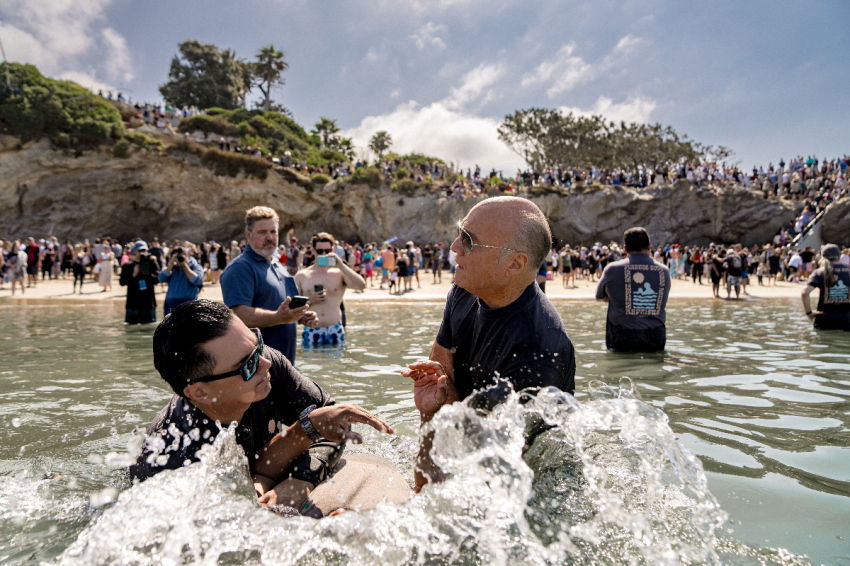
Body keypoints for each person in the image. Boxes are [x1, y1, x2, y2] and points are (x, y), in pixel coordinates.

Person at [130, 300, 399, 517]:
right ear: (199, 393)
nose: (265, 363)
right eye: (247, 364)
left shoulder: (265, 363)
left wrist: (301, 479)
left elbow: (331, 417)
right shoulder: (173, 453)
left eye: (257, 343)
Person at [401, 197, 576, 492]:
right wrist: (429, 413)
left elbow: (497, 489)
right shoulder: (466, 288)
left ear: (514, 263)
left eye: (468, 240)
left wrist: (447, 408)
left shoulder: (538, 355)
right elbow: (442, 375)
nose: (454, 247)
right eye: (460, 232)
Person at [221, 206, 318, 364]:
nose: (270, 237)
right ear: (248, 235)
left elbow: (283, 311)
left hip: (284, 365)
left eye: (273, 232)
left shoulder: (278, 266)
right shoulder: (240, 268)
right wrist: (279, 317)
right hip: (256, 370)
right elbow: (238, 314)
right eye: (262, 232)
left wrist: (299, 318)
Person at [595, 227, 671, 352]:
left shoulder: (612, 269)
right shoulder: (664, 271)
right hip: (656, 336)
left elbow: (599, 296)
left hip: (622, 336)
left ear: (625, 248)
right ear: (648, 245)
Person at [295, 232, 366, 347]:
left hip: (335, 328)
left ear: (332, 250)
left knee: (336, 364)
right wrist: (309, 300)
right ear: (313, 251)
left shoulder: (339, 273)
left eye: (327, 251)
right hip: (312, 329)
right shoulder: (302, 275)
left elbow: (361, 285)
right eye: (320, 251)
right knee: (310, 363)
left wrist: (342, 265)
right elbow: (293, 309)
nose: (324, 254)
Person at [801, 244, 850, 331]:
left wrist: (809, 313)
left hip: (825, 320)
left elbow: (805, 292)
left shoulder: (819, 272)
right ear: (839, 256)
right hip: (847, 319)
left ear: (822, 257)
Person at [119, 241, 161, 324]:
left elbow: (158, 279)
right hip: (133, 303)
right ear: (134, 251)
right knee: (131, 326)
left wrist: (148, 274)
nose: (142, 253)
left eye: (144, 251)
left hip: (148, 303)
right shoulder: (128, 265)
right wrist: (133, 274)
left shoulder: (152, 264)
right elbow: (122, 282)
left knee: (149, 326)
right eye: (140, 251)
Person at [159, 243, 204, 315]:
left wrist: (184, 266)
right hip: (171, 303)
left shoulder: (195, 266)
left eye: (180, 256)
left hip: (189, 303)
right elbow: (161, 279)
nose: (178, 259)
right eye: (175, 257)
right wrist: (170, 265)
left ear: (186, 255)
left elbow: (198, 281)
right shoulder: (171, 267)